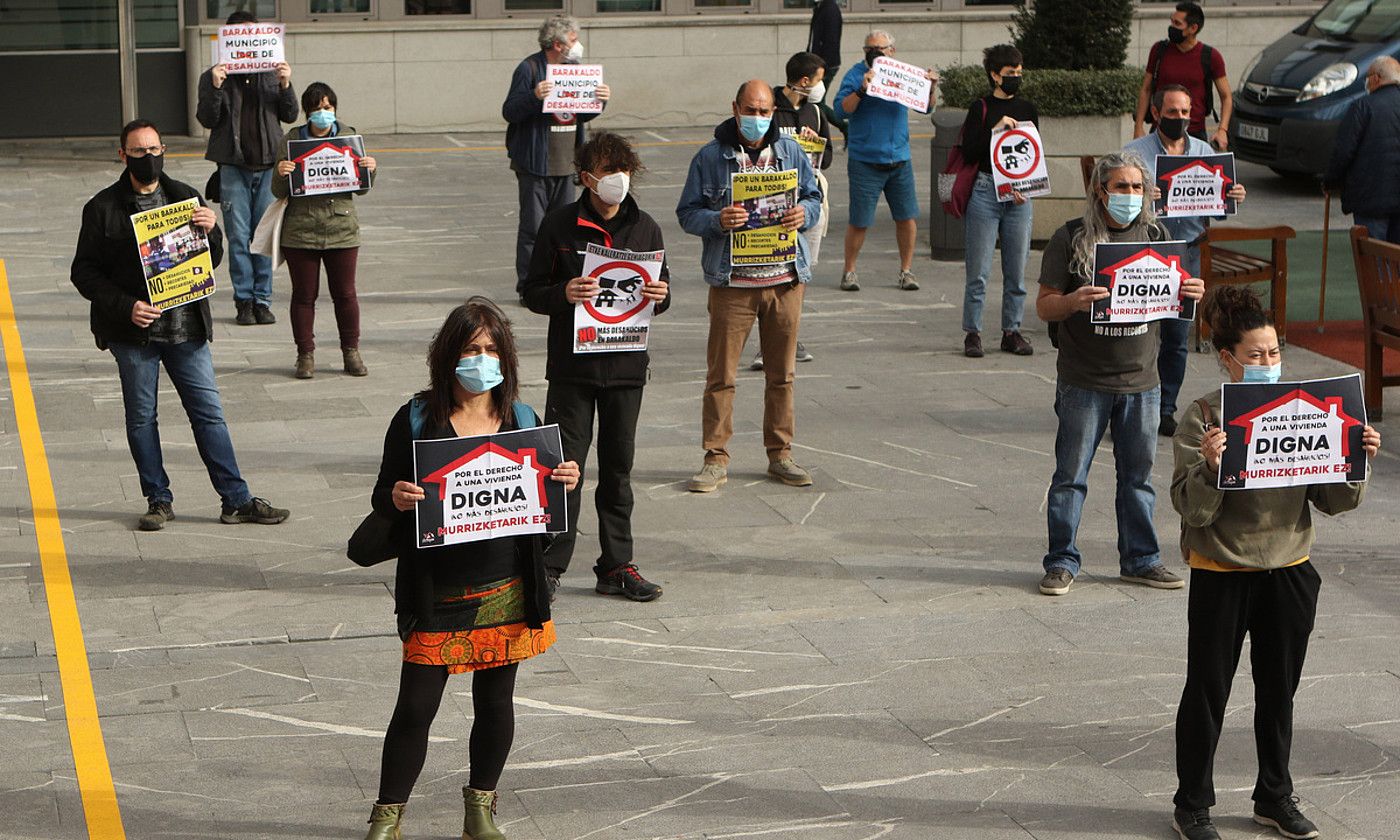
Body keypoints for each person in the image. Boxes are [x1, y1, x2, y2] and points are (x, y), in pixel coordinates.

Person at [362, 297, 580, 840]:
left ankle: (480, 810)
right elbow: (381, 495)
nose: (480, 359)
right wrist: (398, 497)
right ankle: (387, 816)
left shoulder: (522, 420)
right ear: (447, 357)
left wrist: (564, 484)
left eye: (490, 349)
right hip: (437, 586)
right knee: (415, 705)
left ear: (504, 358)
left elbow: (546, 509)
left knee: (495, 701)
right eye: (469, 349)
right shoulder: (415, 417)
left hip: (506, 581)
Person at [1168, 286, 1381, 840]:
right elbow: (1192, 507)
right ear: (1227, 359)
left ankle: (1275, 796)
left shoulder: (1303, 409)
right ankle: (1192, 803)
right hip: (1222, 569)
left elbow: (1332, 501)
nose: (1266, 363)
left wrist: (1355, 459)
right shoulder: (1204, 418)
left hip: (1290, 565)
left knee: (1278, 689)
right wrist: (1213, 465)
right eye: (1255, 355)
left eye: (1273, 353)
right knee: (1208, 689)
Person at [70, 119, 290, 532]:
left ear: (164, 150)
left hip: (186, 328)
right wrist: (126, 306)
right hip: (133, 333)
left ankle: (236, 500)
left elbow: (210, 261)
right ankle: (158, 500)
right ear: (123, 155)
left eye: (154, 149)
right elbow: (83, 272)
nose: (148, 158)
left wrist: (212, 234)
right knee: (141, 419)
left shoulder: (185, 198)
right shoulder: (102, 208)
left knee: (209, 414)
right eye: (138, 151)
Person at [1034, 152, 1204, 597]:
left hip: (1143, 383)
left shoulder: (1157, 236)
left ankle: (1141, 559)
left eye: (1137, 187)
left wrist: (1191, 293)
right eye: (1120, 187)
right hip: (1083, 382)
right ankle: (1061, 561)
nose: (1129, 196)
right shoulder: (1070, 237)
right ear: (1099, 190)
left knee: (1138, 479)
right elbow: (1044, 304)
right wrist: (1073, 302)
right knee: (1070, 477)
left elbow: (1176, 300)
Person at [522, 132, 668, 603]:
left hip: (626, 367)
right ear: (586, 178)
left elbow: (659, 288)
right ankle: (549, 563)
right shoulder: (560, 224)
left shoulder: (645, 226)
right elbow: (532, 290)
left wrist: (660, 296)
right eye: (607, 172)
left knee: (619, 469)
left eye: (623, 170)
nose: (617, 180)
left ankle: (616, 564)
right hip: (573, 370)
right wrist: (563, 293)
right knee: (564, 468)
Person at [676, 80, 823, 493]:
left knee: (783, 374)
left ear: (774, 111)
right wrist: (716, 220)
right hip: (732, 283)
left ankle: (780, 453)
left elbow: (814, 197)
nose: (758, 118)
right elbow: (687, 212)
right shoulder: (710, 157)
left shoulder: (791, 152)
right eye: (750, 110)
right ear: (735, 107)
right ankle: (715, 457)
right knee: (721, 375)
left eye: (765, 111)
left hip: (785, 280)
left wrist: (803, 214)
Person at [1126, 84, 1248, 437]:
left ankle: (1165, 408)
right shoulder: (1134, 154)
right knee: (1140, 332)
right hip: (1145, 253)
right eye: (1172, 112)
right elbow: (1111, 197)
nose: (1180, 119)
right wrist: (1139, 196)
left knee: (1177, 336)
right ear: (1155, 113)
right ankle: (1133, 402)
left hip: (1188, 253)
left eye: (1185, 112)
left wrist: (1232, 197)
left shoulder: (1204, 151)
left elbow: (1217, 210)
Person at [196, 10, 299, 326]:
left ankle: (263, 300)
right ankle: (244, 301)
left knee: (264, 236)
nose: (250, 42)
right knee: (239, 237)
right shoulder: (215, 76)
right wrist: (215, 86)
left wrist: (285, 84)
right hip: (232, 166)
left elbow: (291, 114)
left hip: (269, 166)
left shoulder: (272, 72)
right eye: (242, 36)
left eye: (255, 36)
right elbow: (207, 120)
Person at [270, 81, 378, 380]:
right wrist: (280, 173)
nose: (322, 113)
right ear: (307, 112)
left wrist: (370, 169)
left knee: (345, 294)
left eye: (327, 107)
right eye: (317, 108)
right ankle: (305, 355)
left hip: (341, 227)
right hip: (300, 229)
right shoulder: (291, 140)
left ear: (335, 109)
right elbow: (277, 189)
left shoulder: (348, 137)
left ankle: (351, 351)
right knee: (304, 295)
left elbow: (363, 188)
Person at [502, 16, 611, 304]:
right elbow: (510, 111)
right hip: (536, 162)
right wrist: (534, 96)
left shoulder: (574, 70)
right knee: (533, 227)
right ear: (557, 44)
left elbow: (582, 113)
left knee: (566, 226)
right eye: (574, 40)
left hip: (567, 162)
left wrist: (600, 100)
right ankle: (528, 286)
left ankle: (561, 280)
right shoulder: (529, 68)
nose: (578, 46)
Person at [833, 30, 938, 292]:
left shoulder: (903, 73)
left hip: (899, 159)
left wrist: (931, 87)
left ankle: (906, 270)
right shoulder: (856, 74)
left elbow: (926, 107)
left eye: (880, 49)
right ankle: (849, 271)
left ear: (892, 50)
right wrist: (861, 90)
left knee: (906, 217)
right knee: (859, 220)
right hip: (865, 160)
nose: (874, 53)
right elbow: (840, 109)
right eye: (869, 49)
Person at [751, 50, 830, 371]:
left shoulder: (815, 111)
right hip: (773, 200)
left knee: (800, 273)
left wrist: (817, 141)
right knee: (770, 272)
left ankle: (790, 335)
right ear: (804, 80)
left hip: (808, 200)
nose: (822, 87)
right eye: (820, 80)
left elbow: (827, 159)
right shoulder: (769, 109)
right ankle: (764, 344)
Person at [959, 44, 1038, 360]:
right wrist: (994, 129)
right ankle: (973, 332)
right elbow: (970, 152)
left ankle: (1012, 330)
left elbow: (1032, 154)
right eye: (1010, 74)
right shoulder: (980, 107)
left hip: (1018, 194)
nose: (1016, 78)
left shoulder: (1028, 109)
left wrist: (1026, 186)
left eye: (1019, 73)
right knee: (978, 269)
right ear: (994, 75)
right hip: (985, 190)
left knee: (1017, 269)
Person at [1133, 2, 1232, 150]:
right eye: (1172, 21)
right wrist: (1138, 126)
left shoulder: (1211, 56)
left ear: (1193, 28)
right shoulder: (1159, 50)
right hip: (1160, 131)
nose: (1172, 27)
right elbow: (1146, 89)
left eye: (1177, 23)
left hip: (1195, 133)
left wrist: (1222, 130)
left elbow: (1226, 96)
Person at [1323, 56, 1400, 245]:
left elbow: (1343, 151)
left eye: (1367, 77)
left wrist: (1330, 181)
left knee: (1374, 262)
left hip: (1371, 199)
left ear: (1376, 78)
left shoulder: (1363, 106)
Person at [806, 0, 845, 137]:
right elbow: (814, 40)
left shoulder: (830, 9)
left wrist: (821, 66)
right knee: (815, 101)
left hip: (825, 64)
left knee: (816, 101)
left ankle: (844, 127)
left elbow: (831, 41)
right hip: (817, 62)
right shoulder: (821, 7)